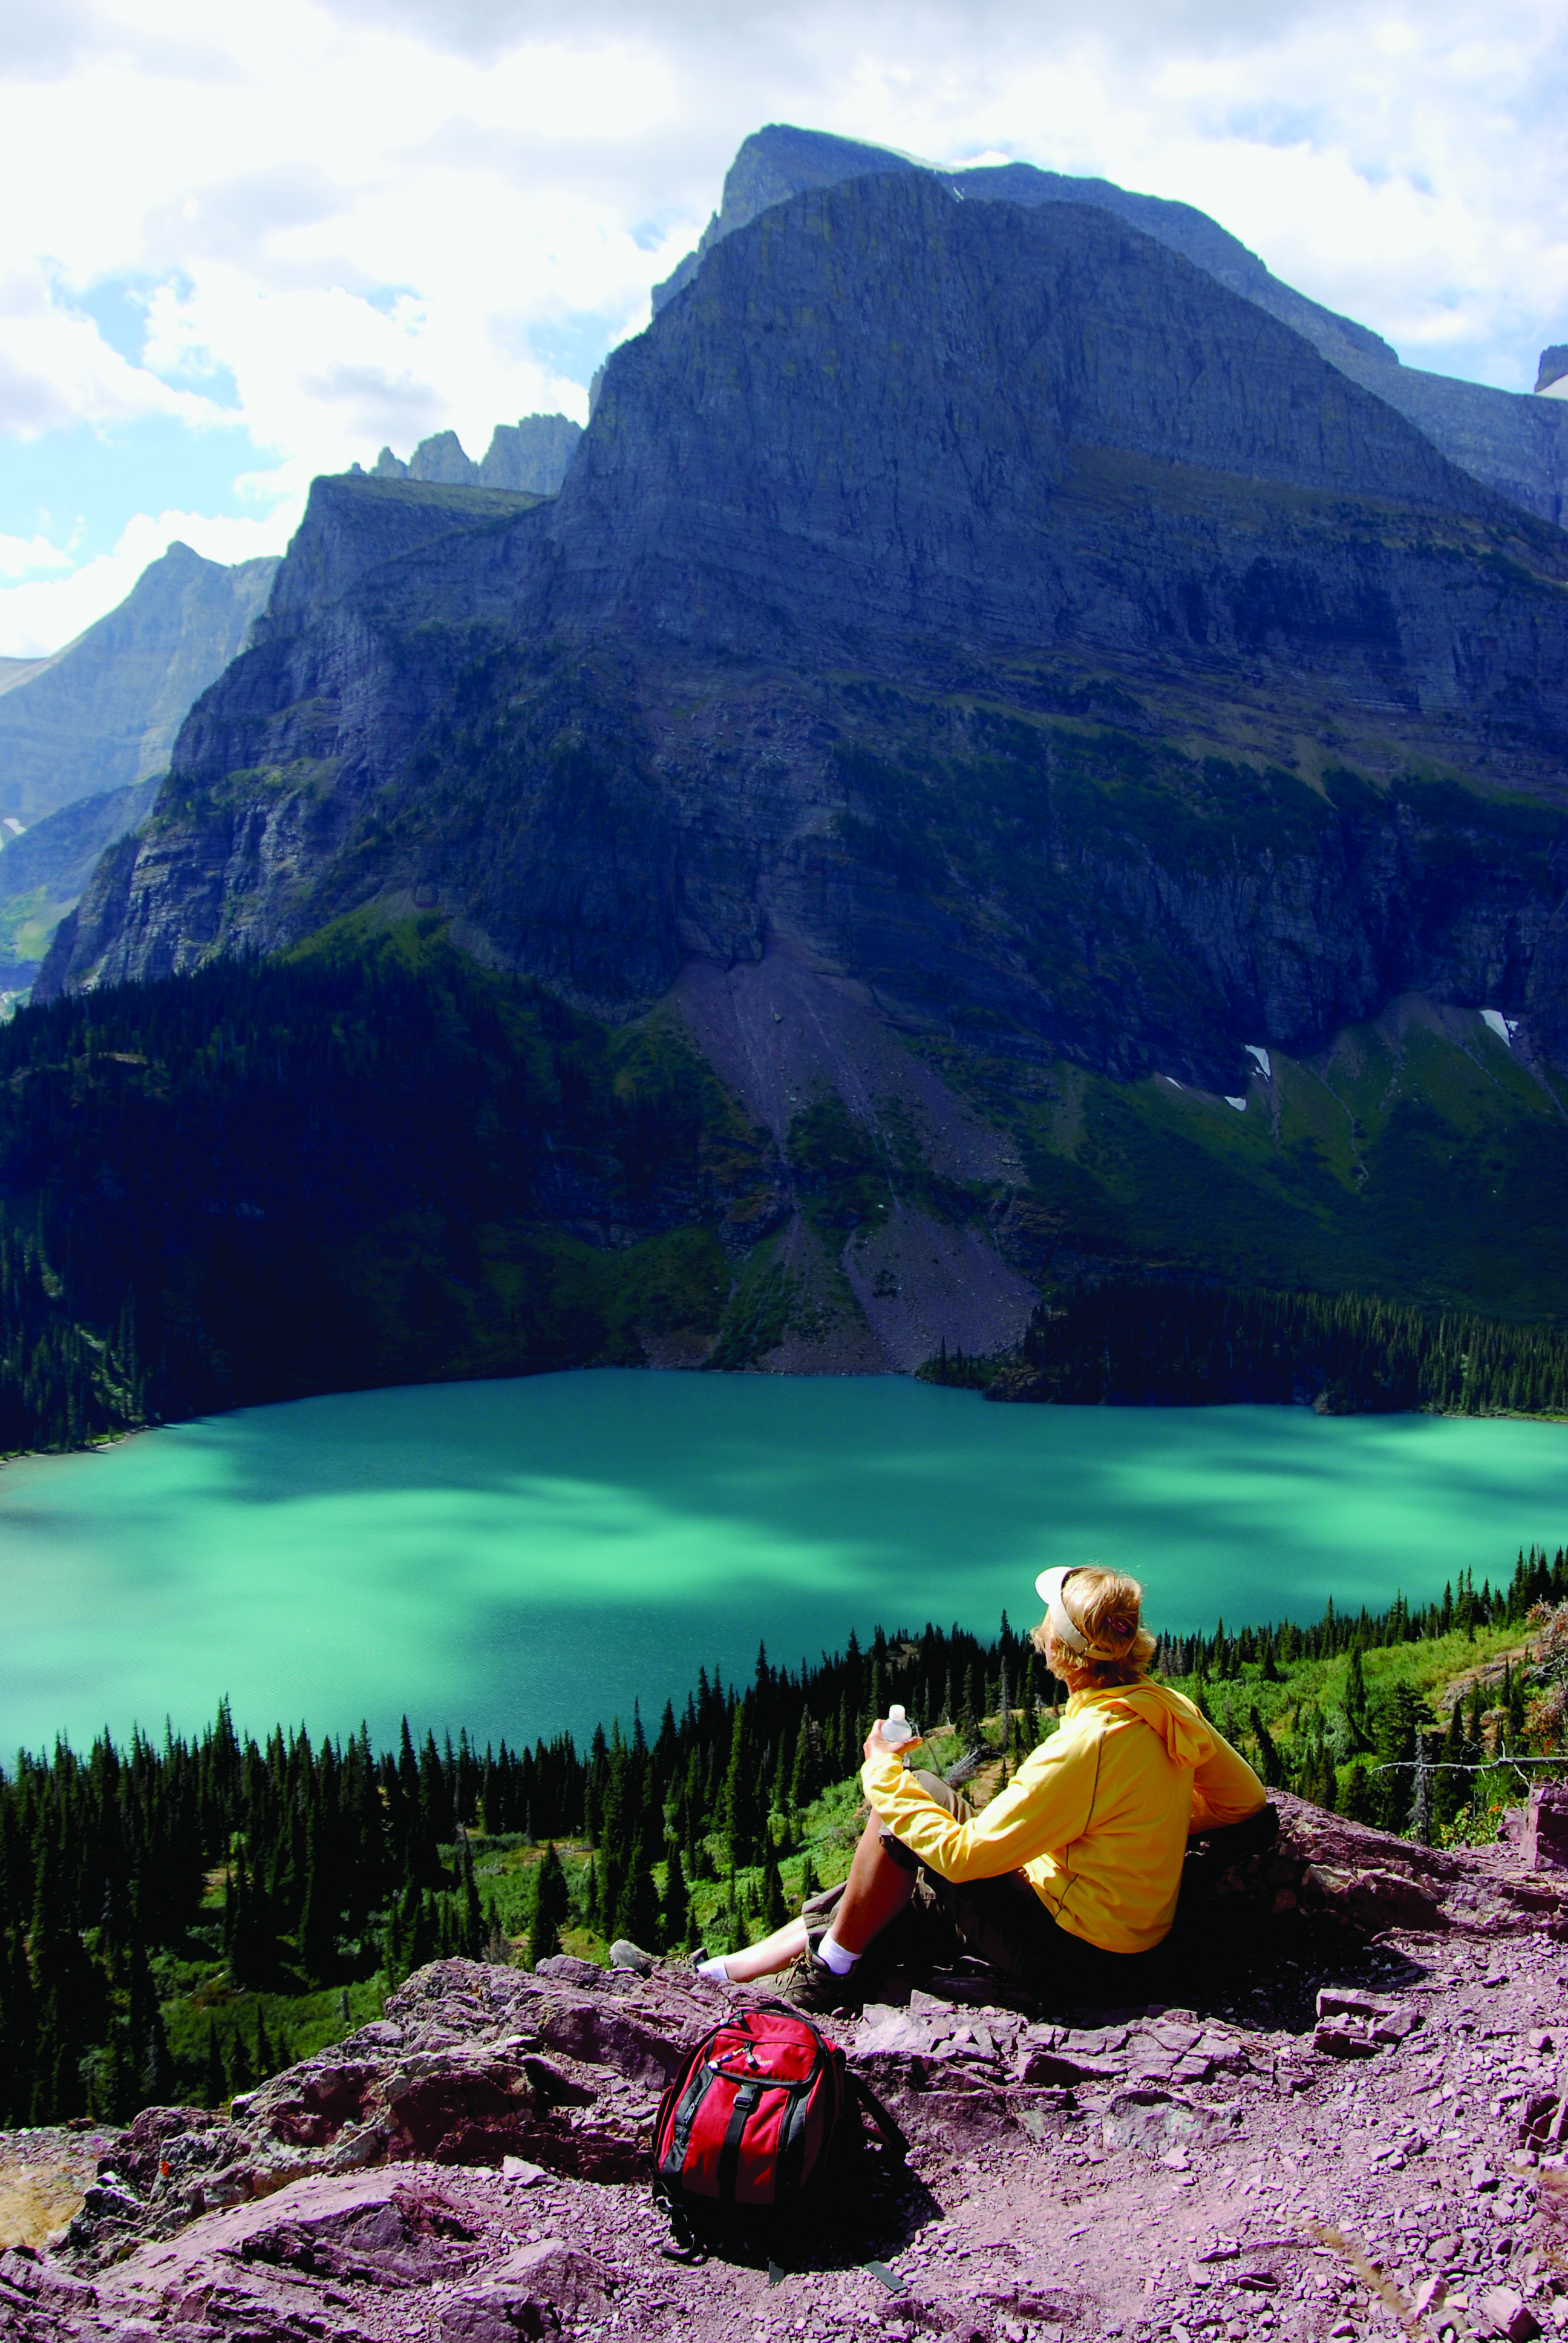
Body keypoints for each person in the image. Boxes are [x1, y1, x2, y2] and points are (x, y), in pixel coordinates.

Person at [695, 1564, 1267, 2012]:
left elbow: (966, 1860)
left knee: (906, 1803)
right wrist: (1145, 1821)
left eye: (1048, 1620)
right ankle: (723, 1973)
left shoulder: (1088, 1742)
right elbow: (1246, 1802)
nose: (1040, 1629)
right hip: (1123, 1938)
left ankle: (827, 1979)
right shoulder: (1165, 1708)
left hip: (1080, 1960)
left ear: (1062, 1651)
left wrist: (878, 1774)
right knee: (899, 1864)